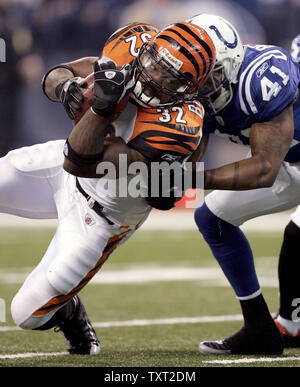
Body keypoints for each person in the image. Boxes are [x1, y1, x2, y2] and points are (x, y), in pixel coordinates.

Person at [5, 21, 216, 355]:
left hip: (102, 216)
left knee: (26, 313)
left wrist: (102, 109)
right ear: (147, 48)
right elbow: (57, 74)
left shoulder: (179, 125)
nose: (154, 77)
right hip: (59, 170)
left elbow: (82, 159)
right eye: (153, 63)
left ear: (191, 88)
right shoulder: (129, 48)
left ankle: (70, 312)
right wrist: (67, 88)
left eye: (170, 77)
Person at [185, 14, 300, 355]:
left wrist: (189, 179)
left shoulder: (262, 76)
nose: (200, 83)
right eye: (195, 72)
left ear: (232, 64)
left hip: (278, 162)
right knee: (211, 218)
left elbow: (263, 168)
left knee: (297, 234)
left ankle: (290, 325)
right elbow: (191, 152)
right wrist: (164, 176)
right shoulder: (189, 84)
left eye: (211, 72)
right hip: (289, 163)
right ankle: (263, 328)